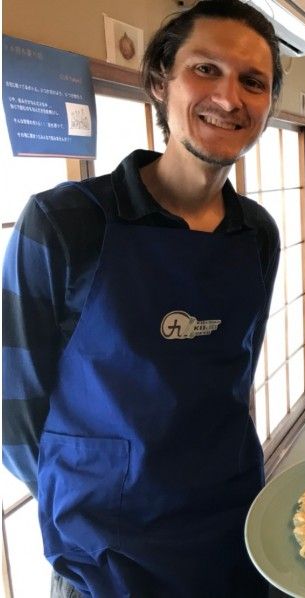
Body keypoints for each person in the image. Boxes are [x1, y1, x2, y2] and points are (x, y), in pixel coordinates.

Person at [2, 1, 283, 596]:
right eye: (205, 69)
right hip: (105, 559)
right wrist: (91, 495)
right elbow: (13, 408)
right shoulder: (65, 222)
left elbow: (234, 381)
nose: (229, 98)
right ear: (160, 80)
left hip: (231, 537)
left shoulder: (256, 234)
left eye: (252, 82)